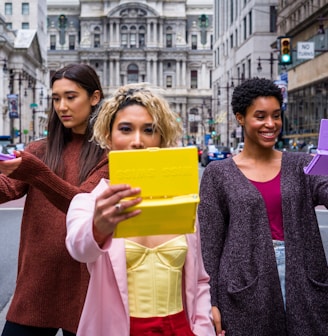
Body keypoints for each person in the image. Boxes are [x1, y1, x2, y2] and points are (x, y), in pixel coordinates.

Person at [65, 83, 215, 336]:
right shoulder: (90, 202)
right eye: (125, 129)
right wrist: (98, 227)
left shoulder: (180, 200)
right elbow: (79, 250)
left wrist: (202, 328)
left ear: (160, 137)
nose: (138, 141)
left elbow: (199, 279)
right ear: (109, 136)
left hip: (180, 328)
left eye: (149, 130)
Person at [198, 77, 328, 336]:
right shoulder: (218, 174)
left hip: (304, 280)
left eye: (276, 116)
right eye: (260, 116)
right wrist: (209, 302)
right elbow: (209, 245)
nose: (271, 124)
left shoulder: (303, 164)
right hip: (244, 286)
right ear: (240, 118)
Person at [0, 63, 109, 336]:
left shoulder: (109, 155)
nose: (62, 106)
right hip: (36, 285)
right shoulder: (38, 149)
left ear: (94, 97)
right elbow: (6, 190)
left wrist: (35, 171)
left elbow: (81, 203)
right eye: (56, 98)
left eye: (71, 97)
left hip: (87, 287)